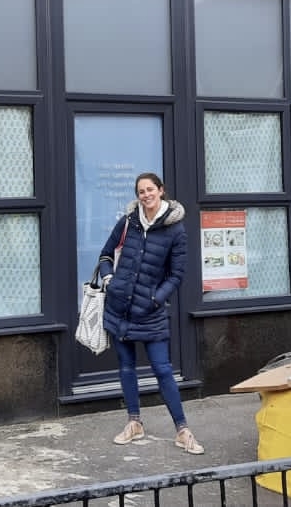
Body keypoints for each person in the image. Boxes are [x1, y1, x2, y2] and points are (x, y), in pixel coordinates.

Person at [96, 172, 202, 455]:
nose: (146, 195)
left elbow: (177, 275)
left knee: (162, 369)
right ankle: (134, 423)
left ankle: (182, 430)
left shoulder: (175, 229)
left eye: (150, 189)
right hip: (119, 308)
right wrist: (109, 280)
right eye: (141, 191)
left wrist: (156, 299)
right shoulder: (128, 222)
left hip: (150, 312)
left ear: (161, 190)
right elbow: (106, 255)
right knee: (126, 367)